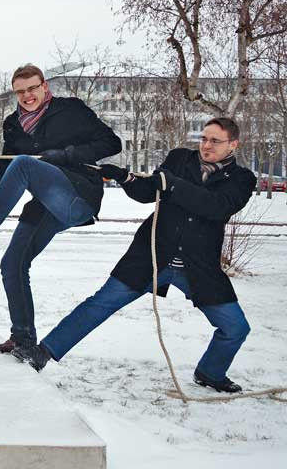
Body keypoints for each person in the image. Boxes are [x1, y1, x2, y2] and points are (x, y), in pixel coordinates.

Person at [15, 117, 255, 394]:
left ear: (233, 144)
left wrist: (173, 185)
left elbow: (216, 207)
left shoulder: (242, 179)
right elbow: (148, 191)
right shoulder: (180, 159)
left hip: (198, 268)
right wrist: (124, 177)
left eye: (215, 141)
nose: (206, 145)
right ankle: (42, 353)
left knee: (235, 327)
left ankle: (210, 373)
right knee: (100, 304)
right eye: (203, 138)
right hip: (151, 257)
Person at [0, 64, 121, 355]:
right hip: (44, 205)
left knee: (25, 163)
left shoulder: (71, 110)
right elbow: (7, 171)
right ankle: (23, 339)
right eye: (20, 91)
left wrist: (66, 155)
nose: (27, 96)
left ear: (44, 87)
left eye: (32, 88)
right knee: (11, 265)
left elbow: (111, 143)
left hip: (78, 195)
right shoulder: (13, 124)